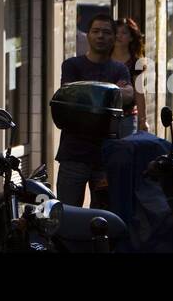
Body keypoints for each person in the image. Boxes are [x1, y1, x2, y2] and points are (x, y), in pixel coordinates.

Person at [56, 13, 132, 209]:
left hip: (106, 158)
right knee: (68, 215)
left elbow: (128, 97)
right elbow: (71, 98)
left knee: (104, 218)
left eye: (106, 32)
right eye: (96, 31)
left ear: (114, 38)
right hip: (74, 154)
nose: (100, 36)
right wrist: (112, 91)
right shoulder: (72, 65)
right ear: (87, 35)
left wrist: (88, 94)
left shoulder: (120, 69)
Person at [110, 17, 148, 133]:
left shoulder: (135, 62)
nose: (118, 36)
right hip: (107, 116)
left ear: (131, 37)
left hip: (128, 117)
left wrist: (143, 120)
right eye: (116, 32)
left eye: (124, 33)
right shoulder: (104, 59)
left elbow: (139, 93)